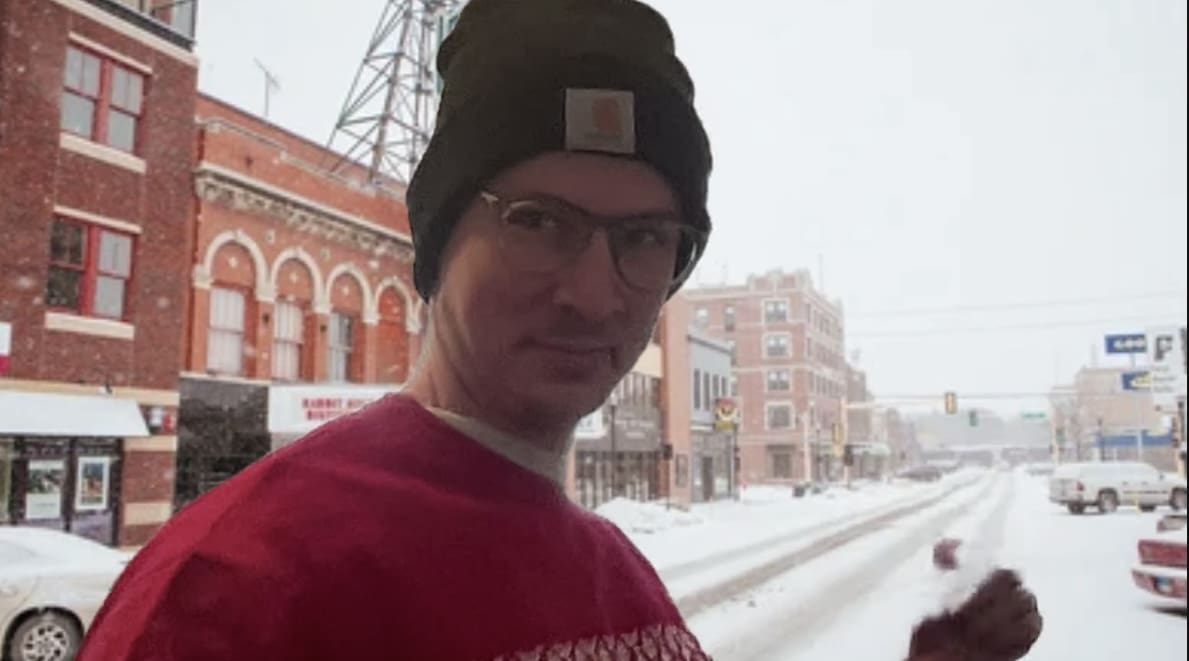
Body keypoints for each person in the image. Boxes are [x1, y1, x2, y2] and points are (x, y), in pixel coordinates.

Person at [79, 1, 1042, 659]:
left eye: (645, 237)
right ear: (439, 240)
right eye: (538, 221)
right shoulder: (236, 587)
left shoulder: (615, 571)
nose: (596, 290)